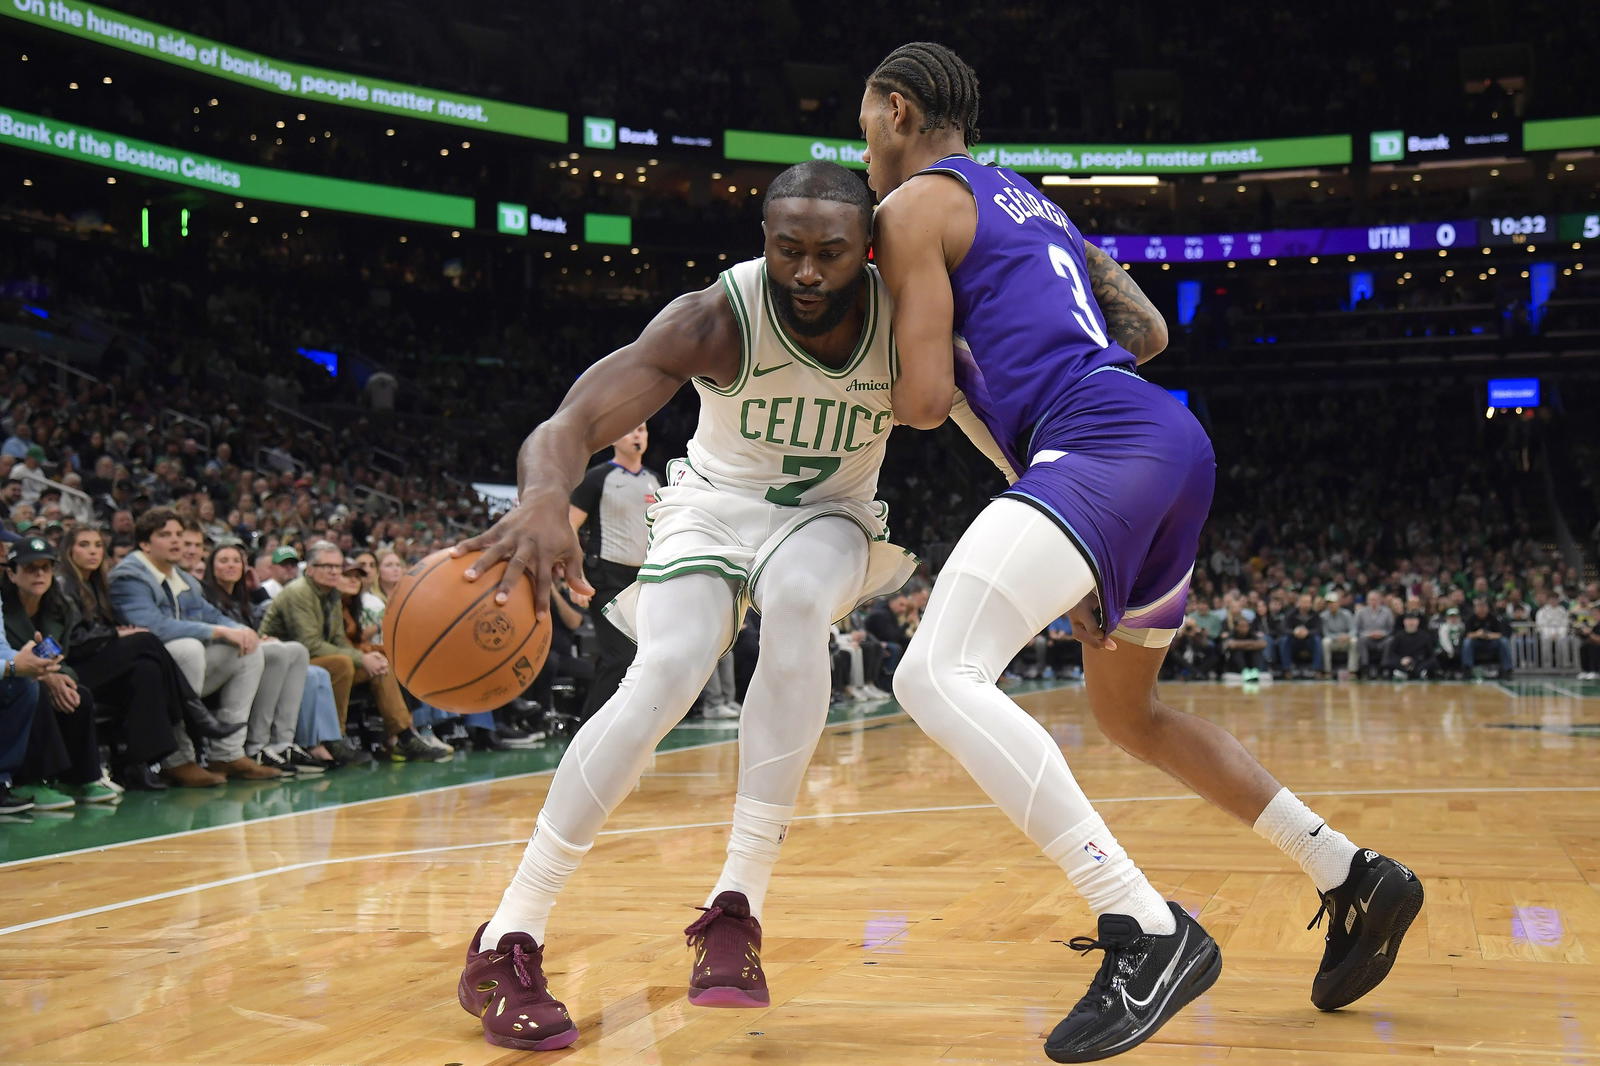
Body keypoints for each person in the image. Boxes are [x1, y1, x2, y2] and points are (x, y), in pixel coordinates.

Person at [859, 42, 1420, 1060]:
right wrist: (1071, 536)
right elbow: (1149, 330)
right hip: (1159, 440)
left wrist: (865, 362)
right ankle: (1349, 871)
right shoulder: (1032, 204)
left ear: (896, 111)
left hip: (1098, 446)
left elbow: (928, 401)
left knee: (931, 673)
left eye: (864, 131)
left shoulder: (911, 209)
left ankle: (1143, 926)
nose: (864, 155)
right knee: (1126, 712)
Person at [451, 161, 915, 1052]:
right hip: (709, 507)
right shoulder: (716, 319)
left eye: (829, 254)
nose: (808, 273)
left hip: (830, 516)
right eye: (788, 251)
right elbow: (571, 422)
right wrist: (546, 494)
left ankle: (738, 907)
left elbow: (999, 412)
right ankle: (510, 935)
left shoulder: (907, 316)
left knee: (796, 599)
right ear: (764, 245)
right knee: (663, 671)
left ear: (868, 251)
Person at [108, 509, 280, 784]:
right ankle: (176, 759)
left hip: (181, 671)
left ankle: (227, 753)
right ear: (144, 544)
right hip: (141, 674)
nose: (176, 541)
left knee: (248, 649)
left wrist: (241, 630)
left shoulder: (184, 578)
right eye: (165, 535)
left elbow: (211, 614)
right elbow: (151, 626)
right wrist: (217, 631)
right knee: (188, 647)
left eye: (178, 534)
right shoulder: (129, 576)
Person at [55, 525, 220, 790]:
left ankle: (137, 764)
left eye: (98, 545)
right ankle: (192, 712)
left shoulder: (97, 584)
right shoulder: (63, 584)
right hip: (72, 667)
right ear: (69, 550)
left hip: (97, 661)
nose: (93, 551)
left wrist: (116, 633)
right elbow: (73, 640)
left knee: (147, 670)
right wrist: (113, 634)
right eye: (84, 545)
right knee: (145, 640)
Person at [259, 540, 440, 762]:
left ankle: (403, 735)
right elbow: (310, 643)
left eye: (337, 566)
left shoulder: (331, 593)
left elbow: (338, 639)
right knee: (343, 664)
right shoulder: (299, 593)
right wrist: (360, 657)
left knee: (380, 663)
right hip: (286, 662)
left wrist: (366, 658)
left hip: (318, 658)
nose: (334, 571)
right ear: (311, 569)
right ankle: (335, 738)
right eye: (328, 566)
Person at [0, 536, 120, 808]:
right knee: (37, 691)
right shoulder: (4, 607)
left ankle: (81, 778)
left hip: (35, 672)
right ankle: (34, 780)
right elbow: (10, 656)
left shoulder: (61, 607)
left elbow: (64, 656)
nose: (40, 574)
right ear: (12, 573)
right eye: (31, 568)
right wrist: (43, 675)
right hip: (17, 677)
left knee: (79, 695)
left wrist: (58, 675)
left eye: (46, 567)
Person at [202, 542, 333, 773]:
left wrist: (256, 592)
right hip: (220, 657)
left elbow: (257, 624)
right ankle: (256, 744)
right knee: (277, 652)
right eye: (224, 561)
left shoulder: (242, 597)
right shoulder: (206, 596)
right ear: (211, 568)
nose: (231, 565)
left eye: (236, 561)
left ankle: (282, 742)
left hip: (245, 652)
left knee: (297, 650)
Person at [568, 423, 661, 720]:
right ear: (613, 438)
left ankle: (623, 725)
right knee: (619, 657)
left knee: (642, 660)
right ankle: (588, 731)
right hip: (606, 576)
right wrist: (575, 575)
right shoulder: (597, 478)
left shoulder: (657, 480)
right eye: (630, 430)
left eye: (643, 430)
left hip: (646, 580)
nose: (638, 435)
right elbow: (569, 527)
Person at [1461, 598, 1514, 678]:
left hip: (1491, 643)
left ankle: (1507, 669)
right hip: (1477, 644)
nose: (1481, 609)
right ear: (1475, 608)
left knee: (1504, 641)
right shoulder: (1471, 619)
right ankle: (1467, 668)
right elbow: (1466, 634)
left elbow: (1501, 634)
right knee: (1467, 642)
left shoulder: (1494, 618)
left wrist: (1488, 635)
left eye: (1483, 606)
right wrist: (1477, 634)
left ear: (1487, 608)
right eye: (1479, 606)